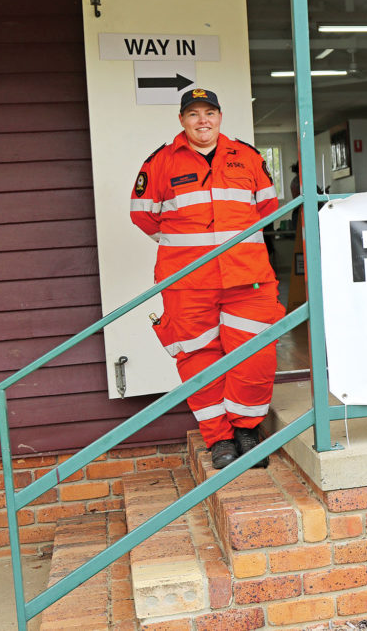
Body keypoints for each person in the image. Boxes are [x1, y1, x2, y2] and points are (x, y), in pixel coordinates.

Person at [130, 88, 284, 469]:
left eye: (209, 112)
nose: (203, 120)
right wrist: (186, 250)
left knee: (255, 355)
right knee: (197, 359)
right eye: (194, 113)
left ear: (220, 116)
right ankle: (219, 439)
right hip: (187, 282)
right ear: (182, 120)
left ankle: (247, 428)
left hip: (247, 278)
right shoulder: (161, 162)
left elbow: (266, 208)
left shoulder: (247, 157)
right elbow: (143, 215)